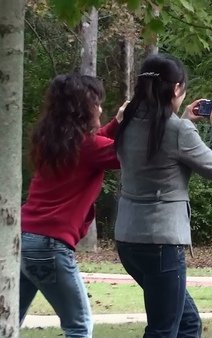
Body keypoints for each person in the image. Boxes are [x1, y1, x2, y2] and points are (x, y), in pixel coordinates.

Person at [114, 53, 212, 338]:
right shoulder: (178, 130)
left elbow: (159, 145)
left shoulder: (127, 121)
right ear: (177, 88)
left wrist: (184, 120)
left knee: (185, 323)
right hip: (162, 244)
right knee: (165, 330)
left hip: (128, 241)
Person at [20, 73, 127, 337]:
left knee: (8, 321)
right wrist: (177, 125)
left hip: (21, 240)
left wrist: (117, 123)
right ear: (83, 107)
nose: (101, 109)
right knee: (79, 326)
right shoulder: (89, 147)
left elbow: (94, 143)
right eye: (97, 103)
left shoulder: (51, 141)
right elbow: (131, 154)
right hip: (50, 245)